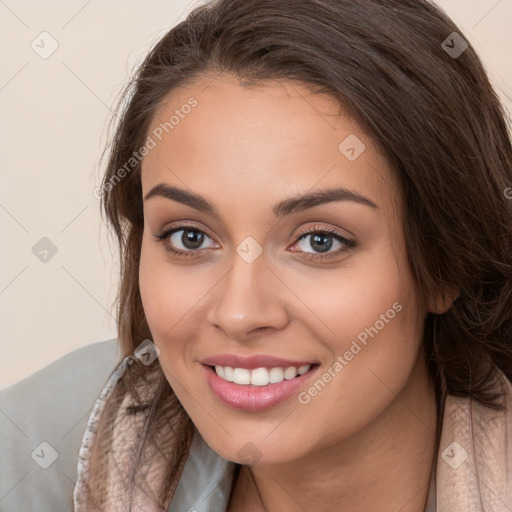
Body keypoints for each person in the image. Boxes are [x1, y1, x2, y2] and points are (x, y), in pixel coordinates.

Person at [3, 0, 512, 511]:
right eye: (190, 237)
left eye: (319, 241)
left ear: (447, 264)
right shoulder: (36, 450)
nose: (239, 313)